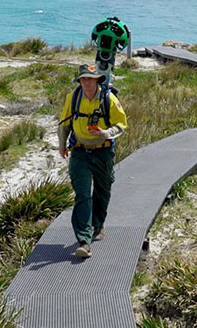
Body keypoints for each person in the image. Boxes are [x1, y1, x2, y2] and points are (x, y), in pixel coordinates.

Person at [58, 64, 127, 258]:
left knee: (102, 191)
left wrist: (105, 133)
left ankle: (98, 225)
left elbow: (121, 125)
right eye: (83, 79)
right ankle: (84, 240)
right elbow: (64, 124)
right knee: (82, 194)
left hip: (103, 152)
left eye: (90, 78)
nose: (86, 82)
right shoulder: (73, 98)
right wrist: (62, 144)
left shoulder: (109, 99)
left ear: (97, 80)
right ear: (79, 81)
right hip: (80, 152)